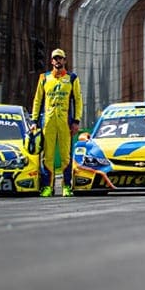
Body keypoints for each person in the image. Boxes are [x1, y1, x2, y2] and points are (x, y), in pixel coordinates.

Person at [31, 47, 83, 197]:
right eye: (55, 58)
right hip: (48, 121)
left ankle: (67, 186)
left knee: (66, 155)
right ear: (51, 61)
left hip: (65, 121)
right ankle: (47, 187)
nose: (57, 61)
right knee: (47, 156)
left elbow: (78, 101)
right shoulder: (44, 78)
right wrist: (34, 120)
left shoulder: (72, 78)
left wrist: (76, 120)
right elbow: (37, 100)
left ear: (65, 60)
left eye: (60, 58)